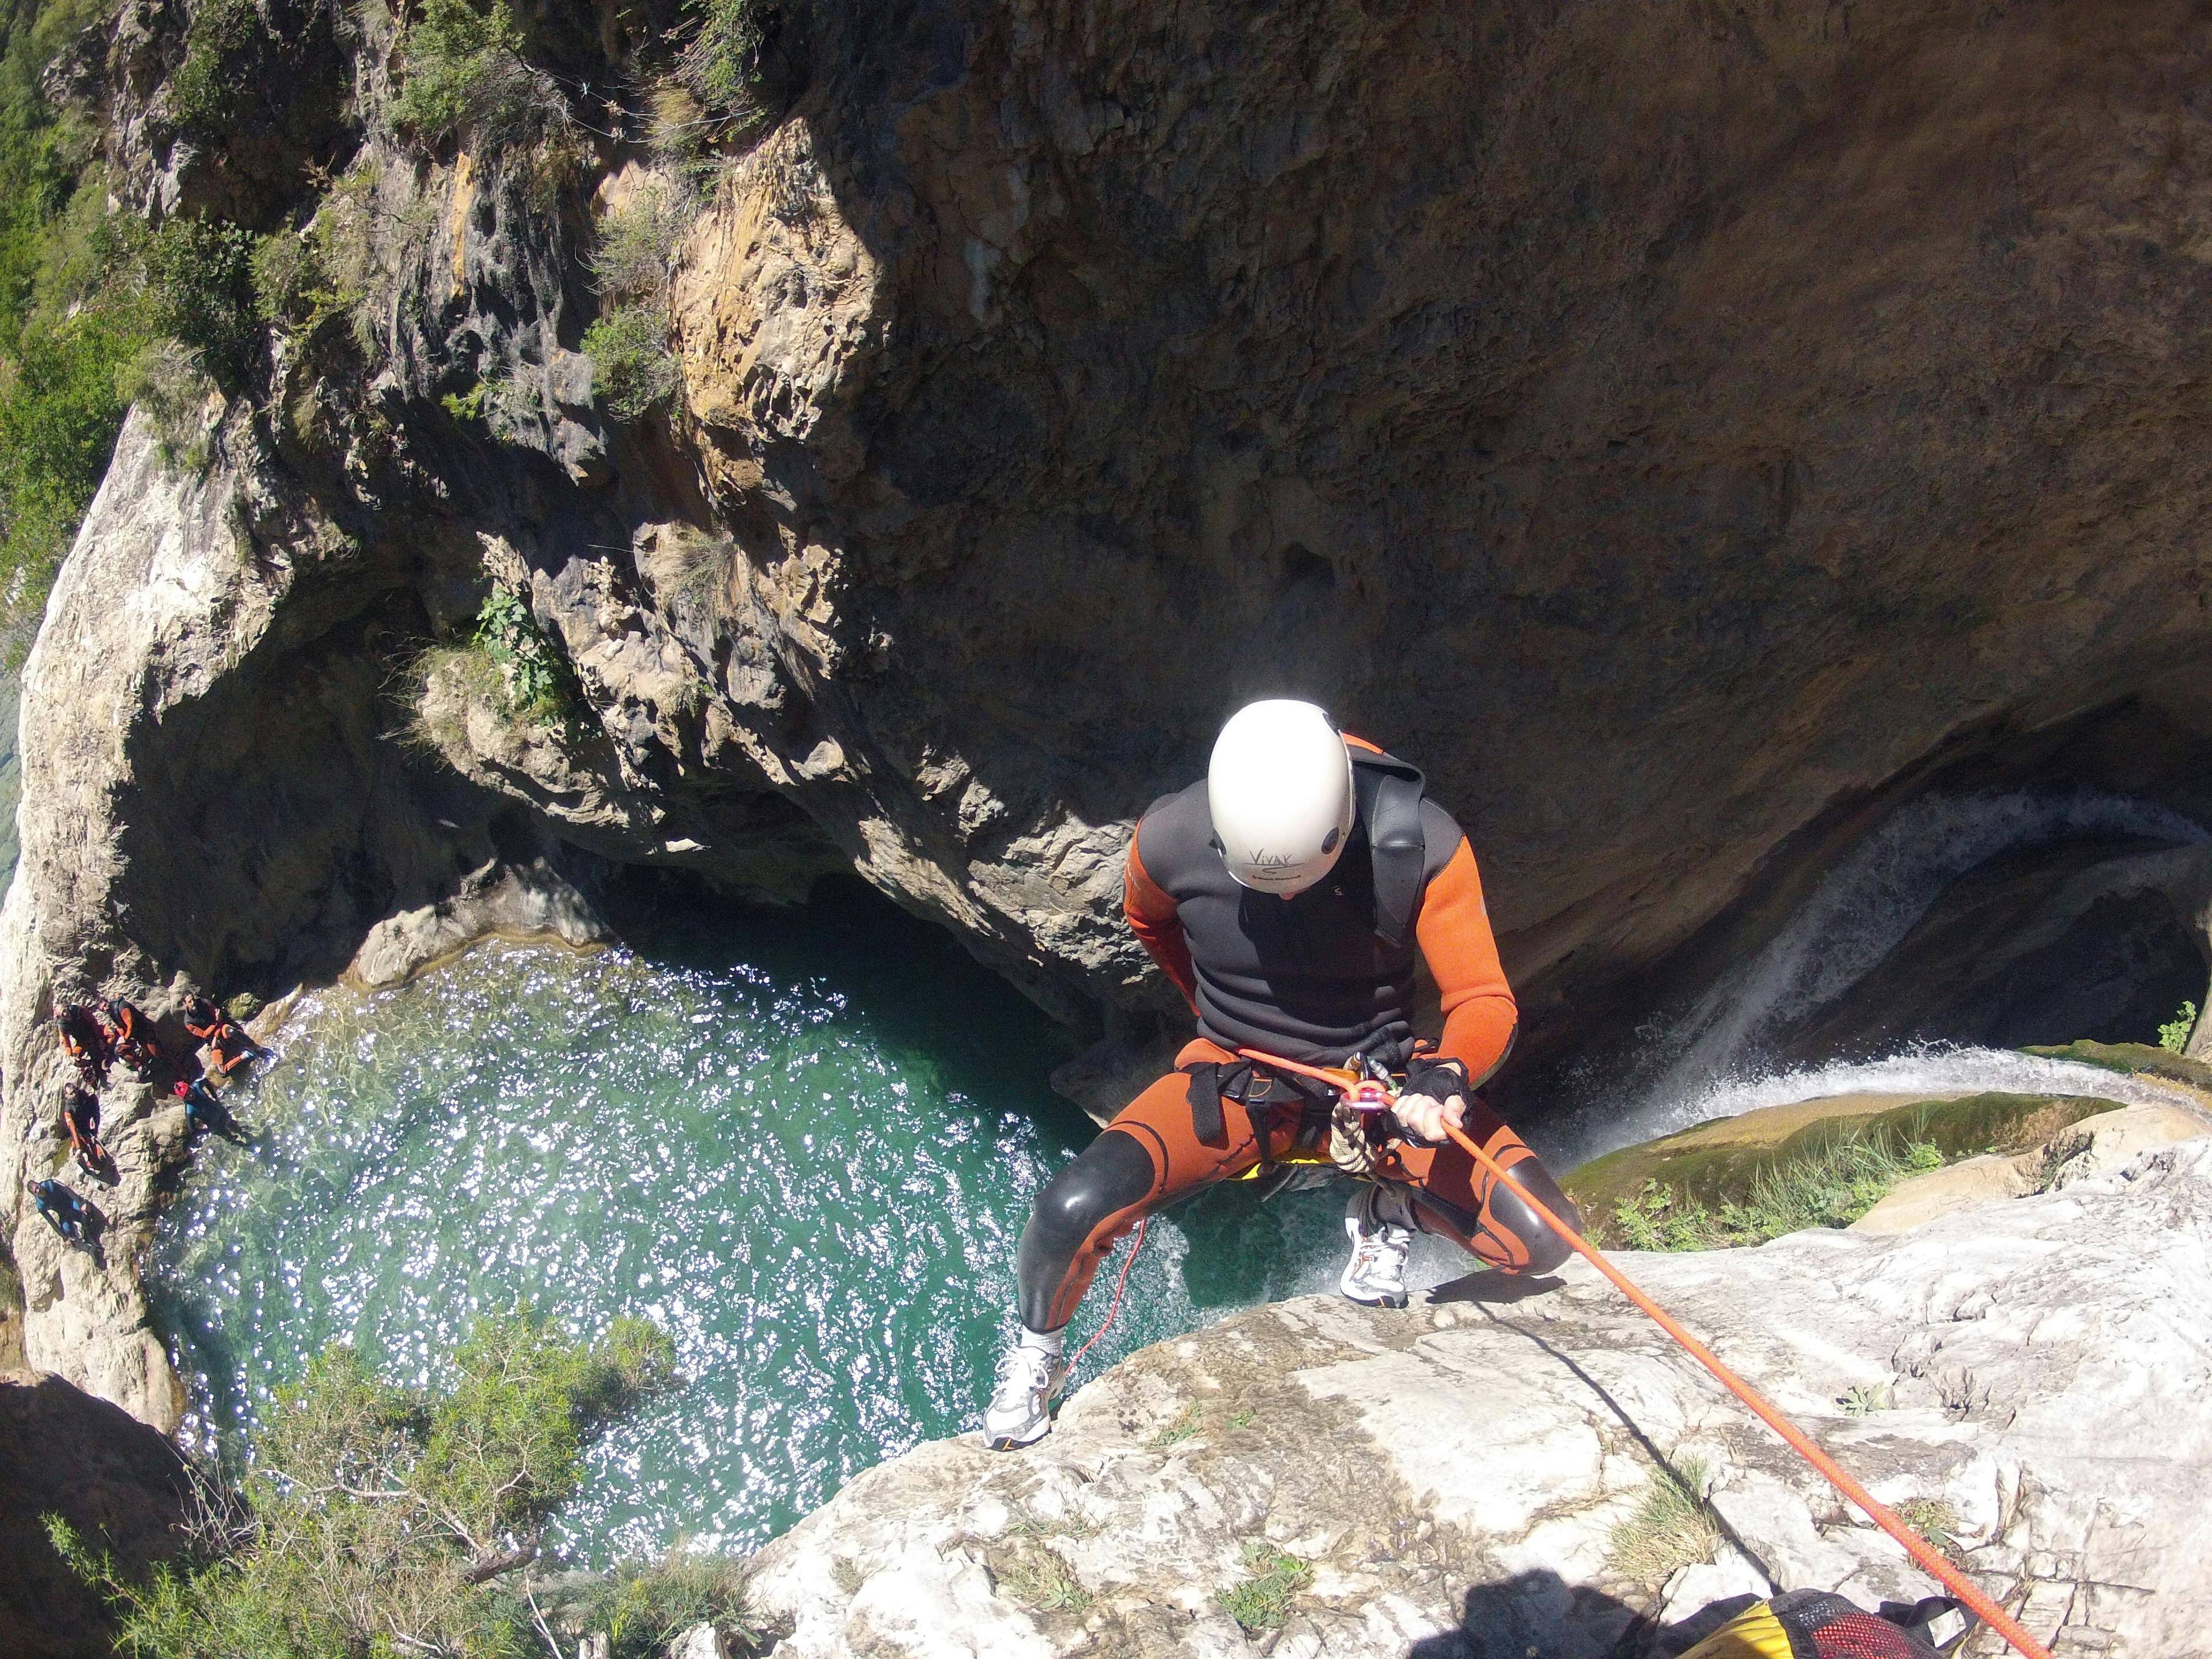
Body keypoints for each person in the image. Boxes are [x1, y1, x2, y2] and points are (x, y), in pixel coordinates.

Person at [983, 699, 1582, 1450]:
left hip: (1380, 1088)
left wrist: (1450, 1073)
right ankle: (1039, 1356)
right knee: (1068, 1210)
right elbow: (1149, 920)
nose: (1288, 899)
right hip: (1242, 1081)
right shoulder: (1170, 836)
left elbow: (1483, 998)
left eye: (1301, 880)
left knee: (1541, 1240)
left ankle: (1385, 1214)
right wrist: (1219, 1016)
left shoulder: (1418, 841)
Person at [183, 994, 265, 1079]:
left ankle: (255, 1046)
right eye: (190, 1002)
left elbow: (219, 1018)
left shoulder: (205, 1003)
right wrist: (215, 1025)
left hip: (221, 1028)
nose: (193, 1003)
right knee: (222, 1072)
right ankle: (246, 1055)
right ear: (185, 1005)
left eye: (193, 999)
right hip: (213, 1040)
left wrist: (216, 1032)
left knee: (231, 1031)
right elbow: (204, 1034)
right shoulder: (189, 1022)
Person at [93, 996, 159, 1081]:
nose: (105, 1009)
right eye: (103, 1009)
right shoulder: (111, 1013)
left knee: (156, 1053)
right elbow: (120, 1027)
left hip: (143, 1031)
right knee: (118, 1049)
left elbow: (130, 1026)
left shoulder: (121, 1006)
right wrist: (121, 1037)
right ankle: (141, 1067)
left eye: (105, 1005)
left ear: (108, 1002)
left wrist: (125, 1038)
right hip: (134, 1036)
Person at [28, 1177, 94, 1248]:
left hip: (71, 1202)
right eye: (35, 1191)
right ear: (35, 1195)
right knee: (66, 1229)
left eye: (37, 1187)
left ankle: (91, 1223)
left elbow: (67, 1190)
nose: (38, 1190)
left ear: (39, 1184)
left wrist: (81, 1204)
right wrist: (64, 1237)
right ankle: (82, 1237)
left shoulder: (51, 1183)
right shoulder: (40, 1205)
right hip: (63, 1213)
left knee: (84, 1208)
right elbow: (51, 1221)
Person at [56, 1004, 111, 1088]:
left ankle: (106, 1056)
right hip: (82, 1042)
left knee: (111, 1034)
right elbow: (67, 1044)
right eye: (62, 1014)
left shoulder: (78, 1010)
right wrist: (70, 1056)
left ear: (67, 1008)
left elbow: (93, 1022)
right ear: (60, 1017)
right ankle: (90, 1065)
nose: (65, 1014)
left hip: (94, 1033)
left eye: (64, 1011)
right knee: (75, 1060)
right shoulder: (63, 1026)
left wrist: (99, 1038)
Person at [61, 1086, 109, 1176]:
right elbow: (73, 1129)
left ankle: (98, 1157)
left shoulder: (82, 1094)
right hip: (80, 1132)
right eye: (71, 1094)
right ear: (67, 1096)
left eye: (75, 1091)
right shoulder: (68, 1109)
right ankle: (88, 1167)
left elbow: (91, 1105)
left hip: (89, 1125)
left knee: (101, 1157)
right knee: (80, 1150)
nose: (75, 1094)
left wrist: (93, 1118)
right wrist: (79, 1148)